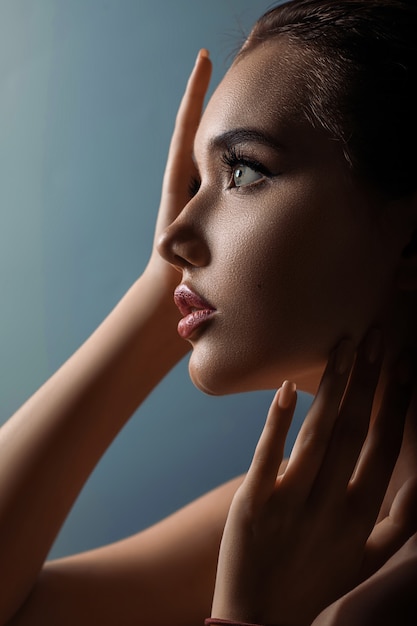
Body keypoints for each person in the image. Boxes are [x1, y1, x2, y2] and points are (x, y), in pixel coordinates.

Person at [0, 0, 416, 624]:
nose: (172, 239)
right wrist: (157, 298)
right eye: (196, 184)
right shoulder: (287, 525)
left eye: (243, 171)